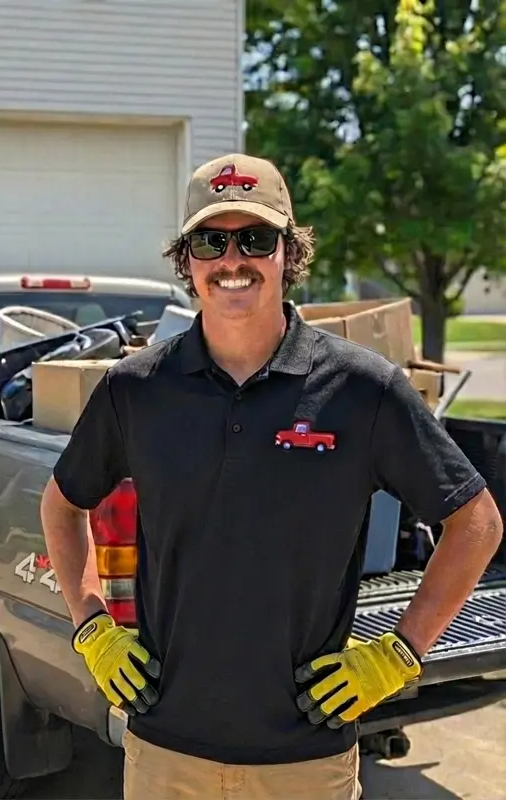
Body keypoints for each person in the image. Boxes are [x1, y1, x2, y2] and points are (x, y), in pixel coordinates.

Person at [39, 153, 503, 799]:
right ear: (187, 260)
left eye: (256, 239)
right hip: (164, 748)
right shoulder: (135, 390)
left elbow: (475, 521)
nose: (234, 260)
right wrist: (91, 627)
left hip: (306, 756)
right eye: (211, 240)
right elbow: (62, 505)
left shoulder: (361, 388)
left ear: (289, 252)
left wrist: (401, 651)